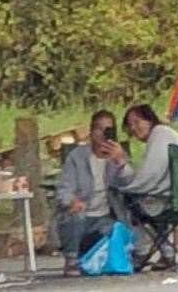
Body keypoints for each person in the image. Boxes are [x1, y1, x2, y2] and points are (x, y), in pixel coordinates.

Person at [101, 104, 178, 271]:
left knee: (118, 194)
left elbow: (147, 179)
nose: (133, 128)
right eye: (130, 125)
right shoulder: (165, 134)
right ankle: (167, 253)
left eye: (137, 121)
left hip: (170, 200)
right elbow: (151, 176)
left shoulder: (160, 134)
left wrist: (121, 161)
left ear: (150, 120)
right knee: (137, 198)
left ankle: (142, 248)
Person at [55, 109, 128, 277]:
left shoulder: (117, 155)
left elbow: (130, 184)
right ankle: (71, 260)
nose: (103, 134)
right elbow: (64, 189)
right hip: (80, 214)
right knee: (76, 214)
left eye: (108, 129)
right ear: (91, 132)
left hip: (104, 217)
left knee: (118, 227)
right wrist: (72, 201)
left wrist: (121, 162)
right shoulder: (77, 157)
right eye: (99, 129)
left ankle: (121, 257)